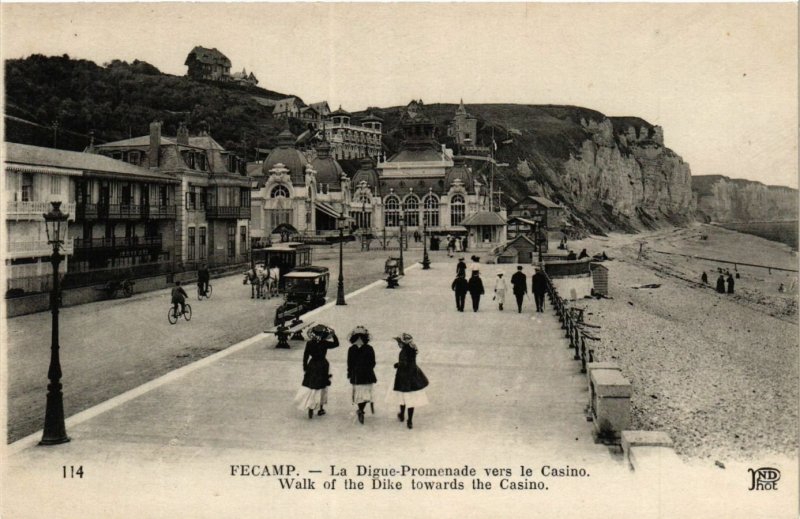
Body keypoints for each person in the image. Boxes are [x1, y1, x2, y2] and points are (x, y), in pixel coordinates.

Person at [295, 325, 340, 419]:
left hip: (312, 365)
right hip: (323, 365)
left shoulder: (309, 343)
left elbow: (305, 356)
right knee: (322, 387)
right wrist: (333, 334)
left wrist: (305, 367)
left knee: (311, 386)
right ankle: (321, 408)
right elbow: (336, 344)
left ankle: (310, 406)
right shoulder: (324, 343)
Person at [388, 333, 429, 430]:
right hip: (413, 377)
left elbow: (404, 363)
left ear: (403, 343)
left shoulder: (404, 351)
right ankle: (409, 420)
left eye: (399, 342)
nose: (398, 344)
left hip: (403, 377)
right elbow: (410, 362)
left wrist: (397, 365)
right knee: (411, 399)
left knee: (402, 397)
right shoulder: (412, 349)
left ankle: (402, 415)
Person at [347, 326, 376, 425]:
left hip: (367, 374)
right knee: (360, 394)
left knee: (366, 395)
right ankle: (361, 410)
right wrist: (350, 372)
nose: (359, 340)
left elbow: (373, 362)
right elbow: (349, 363)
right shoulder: (351, 349)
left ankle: (361, 410)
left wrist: (366, 367)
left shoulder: (369, 348)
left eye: (361, 338)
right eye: (357, 338)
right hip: (357, 375)